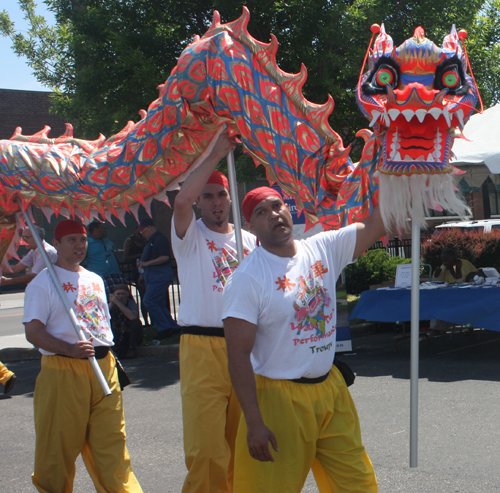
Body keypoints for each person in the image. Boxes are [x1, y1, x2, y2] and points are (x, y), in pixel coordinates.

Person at [222, 187, 385, 492]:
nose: (273, 214)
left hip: (331, 390)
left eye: (277, 205)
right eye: (261, 212)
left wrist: (396, 173)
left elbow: (378, 224)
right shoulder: (247, 279)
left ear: (287, 209)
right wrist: (254, 422)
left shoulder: (321, 248)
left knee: (357, 485)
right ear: (250, 227)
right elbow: (238, 355)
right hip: (279, 400)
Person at [23, 219, 143, 493]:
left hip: (104, 368)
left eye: (83, 239)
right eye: (72, 240)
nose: (79, 245)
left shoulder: (95, 279)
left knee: (112, 446)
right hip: (63, 370)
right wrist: (68, 349)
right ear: (57, 244)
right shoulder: (42, 284)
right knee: (58, 448)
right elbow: (33, 331)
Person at [171, 128, 256, 492]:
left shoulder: (249, 241)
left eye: (222, 194)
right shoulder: (189, 236)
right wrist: (217, 153)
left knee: (243, 445)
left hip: (246, 349)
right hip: (201, 348)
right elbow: (179, 202)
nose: (216, 202)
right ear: (200, 202)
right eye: (208, 196)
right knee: (207, 449)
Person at [137, 217, 179, 340]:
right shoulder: (151, 239)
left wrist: (146, 264)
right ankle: (172, 326)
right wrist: (142, 273)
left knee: (149, 301)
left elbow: (164, 257)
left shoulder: (159, 239)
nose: (142, 234)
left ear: (149, 227)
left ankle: (164, 327)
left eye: (143, 231)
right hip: (153, 275)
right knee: (159, 303)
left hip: (159, 275)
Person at [85, 220, 127, 296]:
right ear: (95, 230)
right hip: (102, 276)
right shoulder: (87, 244)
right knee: (110, 299)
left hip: (117, 274)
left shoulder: (107, 241)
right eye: (101, 228)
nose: (103, 230)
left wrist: (120, 269)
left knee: (124, 298)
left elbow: (114, 255)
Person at [109, 283, 143, 359]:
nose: (120, 296)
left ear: (127, 294)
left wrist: (118, 303)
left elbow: (132, 317)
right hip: (116, 330)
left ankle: (132, 348)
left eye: (123, 294)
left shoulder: (131, 304)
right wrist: (112, 303)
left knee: (136, 323)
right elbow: (104, 316)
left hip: (128, 331)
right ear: (114, 294)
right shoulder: (111, 304)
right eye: (118, 294)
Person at [123, 231, 150, 325]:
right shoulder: (130, 241)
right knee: (143, 296)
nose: (139, 235)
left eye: (141, 233)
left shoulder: (146, 240)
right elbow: (125, 257)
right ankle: (145, 321)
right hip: (137, 270)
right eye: (137, 233)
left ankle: (153, 320)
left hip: (148, 268)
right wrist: (139, 256)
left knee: (150, 295)